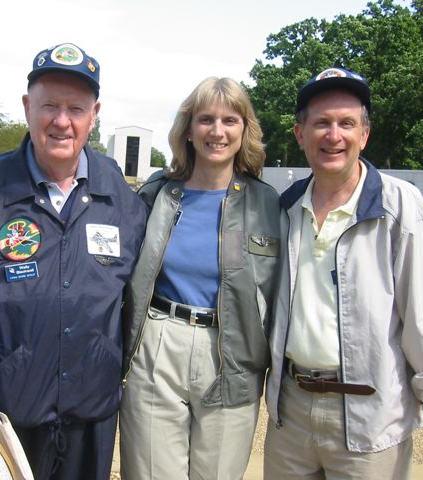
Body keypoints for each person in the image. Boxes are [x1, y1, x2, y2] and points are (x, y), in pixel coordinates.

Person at [0, 42, 147, 480]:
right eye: (49, 106)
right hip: (8, 411)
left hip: (92, 411)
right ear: (28, 107)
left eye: (75, 109)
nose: (62, 121)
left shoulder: (122, 198)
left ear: (93, 114)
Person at [265, 67, 423, 478]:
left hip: (370, 416)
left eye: (346, 123)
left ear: (364, 135)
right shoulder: (285, 208)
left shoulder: (399, 207)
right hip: (291, 415)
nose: (333, 135)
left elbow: (419, 315)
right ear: (300, 134)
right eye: (321, 123)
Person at [120, 77, 281, 479]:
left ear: (245, 129)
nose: (217, 131)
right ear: (189, 129)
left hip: (233, 353)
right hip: (158, 343)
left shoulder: (268, 204)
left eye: (230, 119)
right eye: (206, 119)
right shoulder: (157, 194)